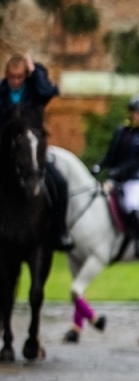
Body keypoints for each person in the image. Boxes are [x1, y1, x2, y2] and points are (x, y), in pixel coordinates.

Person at [2, 51, 73, 249]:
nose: (15, 81)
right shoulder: (2, 93)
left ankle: (60, 231)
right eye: (12, 77)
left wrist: (34, 71)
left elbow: (48, 92)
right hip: (7, 155)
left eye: (20, 77)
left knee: (60, 182)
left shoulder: (34, 91)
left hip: (34, 154)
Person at [95, 95, 139, 260]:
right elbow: (111, 155)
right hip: (117, 177)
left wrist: (116, 172)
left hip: (136, 177)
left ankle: (138, 242)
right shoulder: (121, 130)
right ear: (132, 113)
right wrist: (99, 166)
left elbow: (138, 162)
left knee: (131, 204)